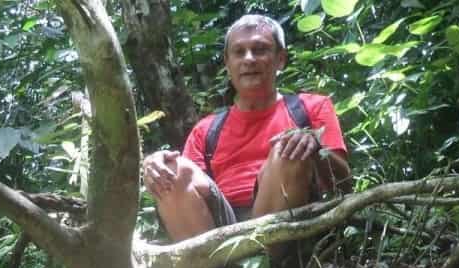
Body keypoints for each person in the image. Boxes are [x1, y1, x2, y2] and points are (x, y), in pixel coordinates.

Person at [142, 14, 352, 243]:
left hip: (288, 225)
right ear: (228, 63)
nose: (249, 59)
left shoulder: (312, 107)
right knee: (171, 169)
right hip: (222, 231)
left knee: (288, 146)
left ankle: (266, 262)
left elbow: (344, 184)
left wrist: (315, 148)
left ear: (280, 59)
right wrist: (155, 166)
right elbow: (184, 188)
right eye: (239, 52)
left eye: (260, 49)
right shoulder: (206, 129)